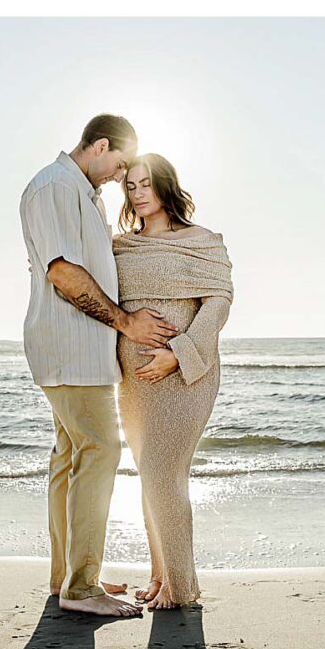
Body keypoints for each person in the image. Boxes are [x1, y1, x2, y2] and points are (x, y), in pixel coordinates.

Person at [19, 115, 180, 618]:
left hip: (83, 351)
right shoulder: (54, 187)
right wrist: (127, 323)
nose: (119, 177)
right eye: (118, 165)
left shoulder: (82, 193)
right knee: (102, 449)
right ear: (101, 145)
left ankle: (66, 577)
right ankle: (82, 588)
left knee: (70, 458)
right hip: (69, 348)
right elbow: (64, 273)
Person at [112, 153, 234, 610]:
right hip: (135, 381)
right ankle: (160, 576)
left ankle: (182, 587)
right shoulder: (121, 247)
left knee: (164, 473)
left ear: (165, 187)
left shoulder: (202, 241)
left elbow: (218, 304)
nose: (138, 193)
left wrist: (178, 355)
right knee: (150, 476)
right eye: (131, 187)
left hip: (188, 376)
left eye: (146, 184)